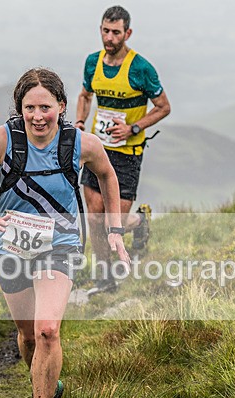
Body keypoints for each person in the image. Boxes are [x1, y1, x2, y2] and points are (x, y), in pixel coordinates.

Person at [0, 68, 130, 398]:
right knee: (29, 337)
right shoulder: (1, 141)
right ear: (19, 108)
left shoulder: (79, 143)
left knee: (48, 330)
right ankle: (47, 379)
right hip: (12, 246)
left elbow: (107, 176)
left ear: (61, 107)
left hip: (61, 244)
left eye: (46, 107)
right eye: (29, 107)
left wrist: (115, 229)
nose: (38, 116)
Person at [76, 5, 171, 295]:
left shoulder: (141, 68)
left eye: (116, 32)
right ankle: (105, 279)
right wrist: (80, 122)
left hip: (127, 154)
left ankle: (140, 222)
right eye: (105, 30)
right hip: (97, 150)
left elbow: (163, 107)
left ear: (127, 33)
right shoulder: (92, 62)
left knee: (111, 221)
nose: (109, 37)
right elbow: (84, 94)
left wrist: (133, 127)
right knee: (94, 216)